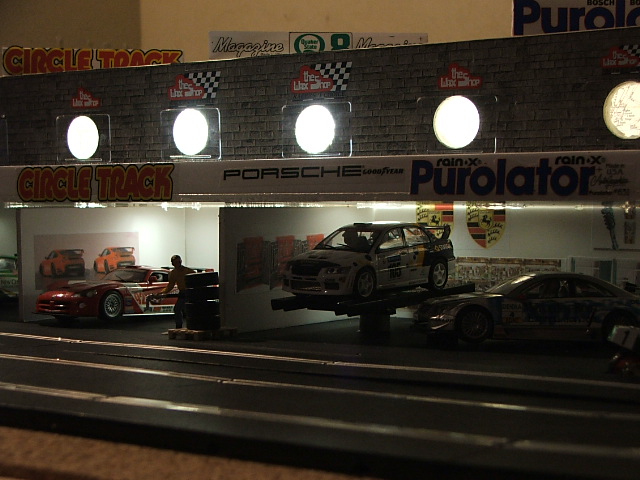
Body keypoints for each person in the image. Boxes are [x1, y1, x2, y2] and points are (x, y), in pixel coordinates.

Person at [155, 254, 195, 329]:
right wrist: (162, 292)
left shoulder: (188, 271)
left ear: (180, 262)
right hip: (182, 293)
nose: (177, 264)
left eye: (178, 262)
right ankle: (179, 326)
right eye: (175, 262)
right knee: (178, 309)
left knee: (188, 310)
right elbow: (170, 285)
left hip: (190, 292)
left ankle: (192, 325)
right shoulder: (174, 273)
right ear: (172, 263)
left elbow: (196, 281)